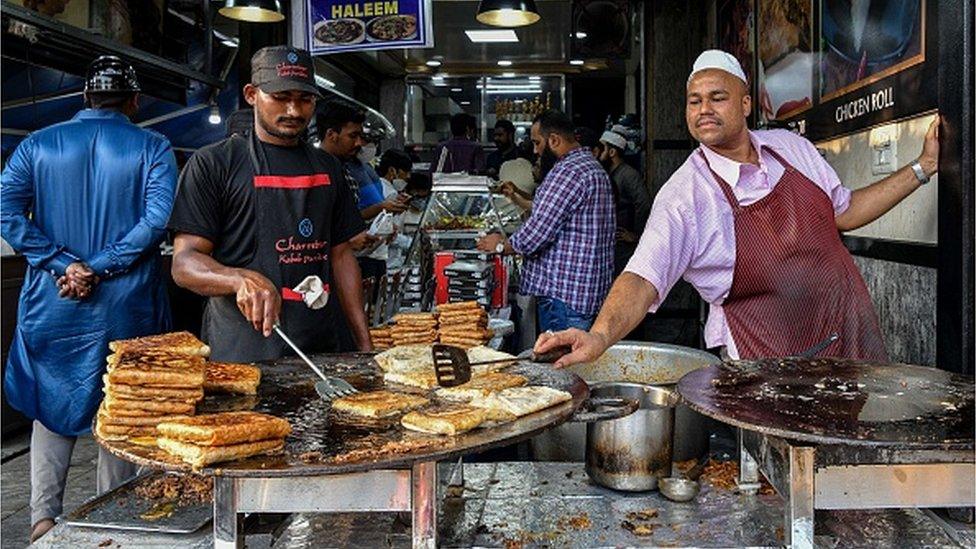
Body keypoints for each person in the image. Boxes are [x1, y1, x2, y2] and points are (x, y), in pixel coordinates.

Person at [536, 49, 941, 368]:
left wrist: (923, 167)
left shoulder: (791, 148)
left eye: (717, 98)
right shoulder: (685, 195)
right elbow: (642, 278)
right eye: (694, 101)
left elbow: (846, 211)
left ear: (746, 103)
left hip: (848, 337)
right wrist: (601, 336)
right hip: (767, 369)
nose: (703, 110)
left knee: (857, 470)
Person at [1, 56, 177, 542]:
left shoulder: (36, 145)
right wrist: (97, 267)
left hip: (52, 301)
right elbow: (155, 221)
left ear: (84, 98)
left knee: (48, 404)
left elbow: (6, 210)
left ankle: (42, 519)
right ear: (135, 102)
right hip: (129, 303)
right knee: (122, 406)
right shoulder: (154, 147)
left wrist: (64, 264)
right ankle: (112, 518)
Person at [168, 46, 372, 362]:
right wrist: (236, 278)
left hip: (321, 343)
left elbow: (342, 256)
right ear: (251, 94)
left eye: (305, 100)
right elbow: (184, 264)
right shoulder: (214, 164)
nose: (293, 110)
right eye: (281, 97)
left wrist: (364, 346)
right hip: (244, 349)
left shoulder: (328, 167)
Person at [477, 110, 615, 332]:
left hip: (565, 296)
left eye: (537, 143)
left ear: (554, 140)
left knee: (559, 364)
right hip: (585, 292)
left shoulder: (567, 172)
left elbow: (537, 233)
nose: (535, 150)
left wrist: (501, 244)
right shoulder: (591, 167)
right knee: (578, 363)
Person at [317, 102, 408, 283]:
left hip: (352, 262)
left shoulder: (345, 169)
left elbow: (348, 218)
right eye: (353, 136)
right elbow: (317, 227)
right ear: (331, 135)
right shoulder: (317, 172)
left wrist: (378, 230)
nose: (359, 143)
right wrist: (347, 243)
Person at [599, 128, 652, 274]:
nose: (599, 153)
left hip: (624, 244)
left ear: (612, 152)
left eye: (603, 149)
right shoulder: (608, 173)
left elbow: (644, 204)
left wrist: (636, 235)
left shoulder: (628, 174)